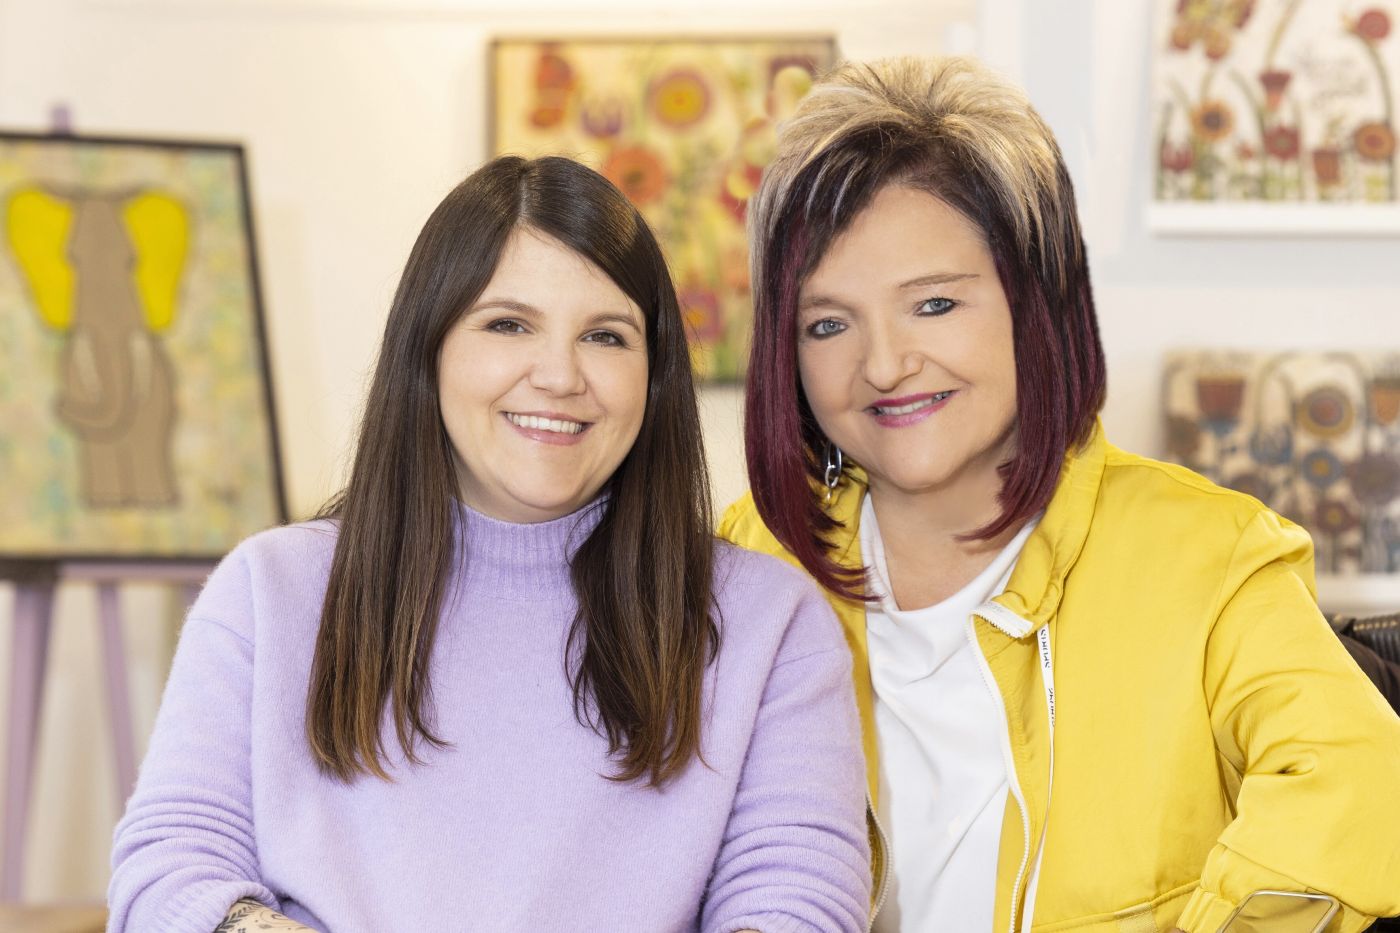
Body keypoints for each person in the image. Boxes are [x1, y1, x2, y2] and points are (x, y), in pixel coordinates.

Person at [720, 56, 1400, 933]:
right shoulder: (747, 563)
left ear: (1036, 301)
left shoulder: (1209, 555)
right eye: (828, 323)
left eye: (932, 305)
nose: (883, 364)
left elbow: (1360, 781)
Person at [109, 155, 871, 933]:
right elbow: (173, 869)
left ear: (655, 373)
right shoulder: (269, 591)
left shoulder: (769, 623)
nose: (559, 375)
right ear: (430, 344)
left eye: (606, 336)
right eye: (509, 324)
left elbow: (797, 905)